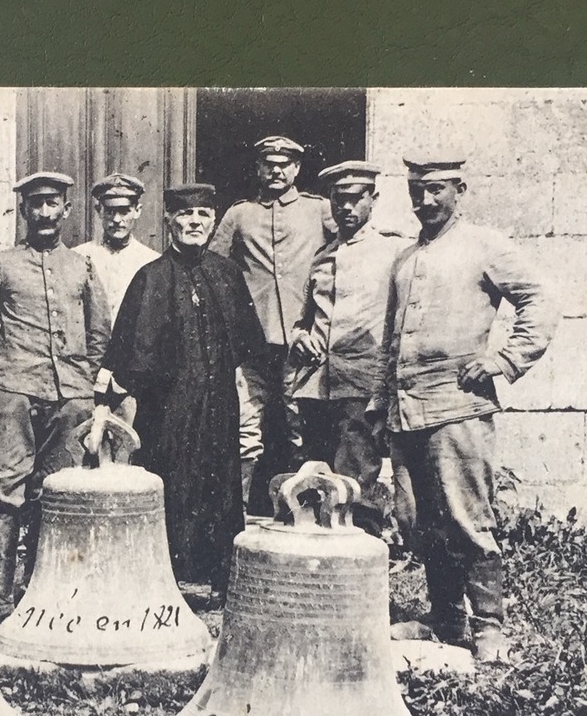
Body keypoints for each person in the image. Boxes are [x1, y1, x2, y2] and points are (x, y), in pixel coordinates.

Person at [368, 157, 559, 662]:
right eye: (416, 190)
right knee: (416, 519)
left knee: (466, 517)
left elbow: (539, 300)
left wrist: (504, 359)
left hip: (457, 405)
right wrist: (378, 400)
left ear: (460, 189)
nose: (424, 200)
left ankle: (489, 625)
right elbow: (391, 340)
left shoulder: (483, 246)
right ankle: (445, 617)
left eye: (435, 190)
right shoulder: (405, 258)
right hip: (406, 409)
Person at [94, 184, 266, 597]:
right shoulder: (150, 277)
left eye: (203, 216)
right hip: (167, 410)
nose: (194, 223)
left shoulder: (226, 274)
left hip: (219, 404)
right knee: (171, 485)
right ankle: (168, 581)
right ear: (169, 221)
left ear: (212, 221)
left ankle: (220, 577)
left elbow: (247, 345)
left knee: (219, 486)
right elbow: (126, 354)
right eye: (185, 216)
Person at [0, 171, 112, 626]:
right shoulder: (2, 265)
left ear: (67, 211)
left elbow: (99, 333)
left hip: (70, 401)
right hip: (14, 395)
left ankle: (43, 590)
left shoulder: (83, 267)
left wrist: (82, 382)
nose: (46, 213)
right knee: (7, 491)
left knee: (57, 493)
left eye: (54, 204)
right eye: (37, 204)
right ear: (24, 211)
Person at [210, 135, 336, 511]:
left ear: (297, 169)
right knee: (245, 429)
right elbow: (214, 267)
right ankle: (237, 516)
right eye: (269, 164)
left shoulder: (319, 210)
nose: (277, 170)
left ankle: (311, 514)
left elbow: (347, 253)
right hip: (250, 341)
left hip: (302, 341)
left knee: (302, 429)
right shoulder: (240, 214)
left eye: (285, 164)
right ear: (258, 168)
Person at [287, 160, 411, 537]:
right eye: (338, 200)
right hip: (317, 384)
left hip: (360, 383)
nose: (346, 208)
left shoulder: (395, 252)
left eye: (356, 199)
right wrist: (299, 335)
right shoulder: (323, 255)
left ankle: (365, 551)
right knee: (316, 477)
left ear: (373, 200)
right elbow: (304, 317)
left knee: (356, 480)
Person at [80, 173, 159, 427]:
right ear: (98, 210)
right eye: (109, 211)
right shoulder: (79, 258)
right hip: (85, 372)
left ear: (137, 210)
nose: (116, 219)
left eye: (124, 211)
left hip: (133, 378)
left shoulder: (151, 262)